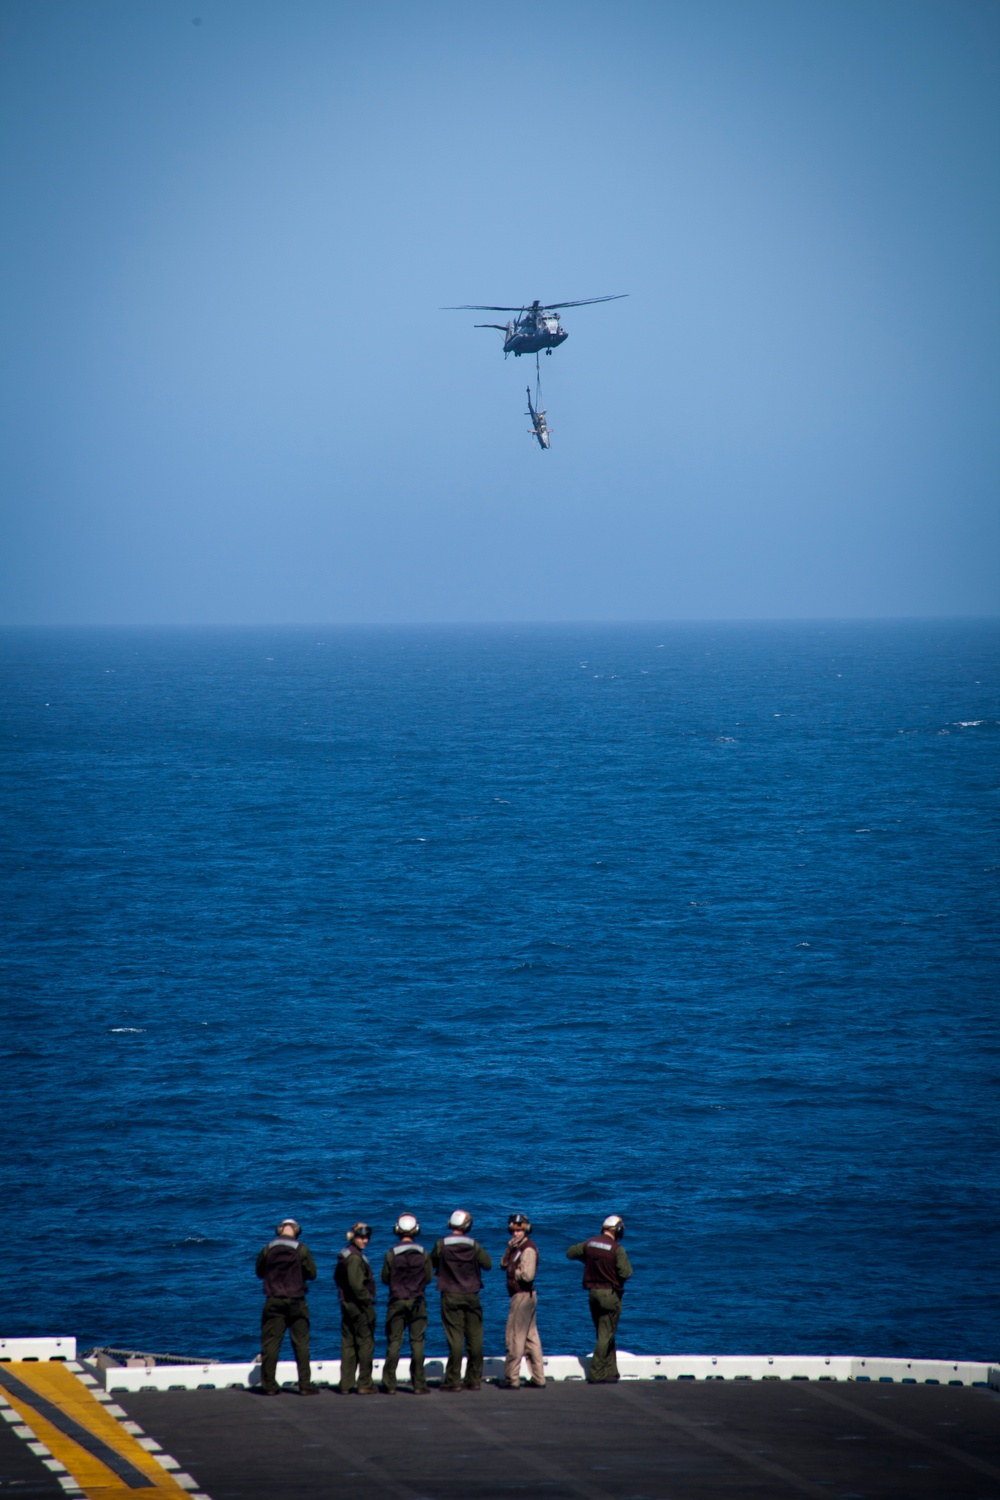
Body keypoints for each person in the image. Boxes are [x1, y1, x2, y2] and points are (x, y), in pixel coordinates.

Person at [255, 1217, 319, 1395]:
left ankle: (269, 1385)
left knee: (271, 1344)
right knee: (301, 1343)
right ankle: (305, 1384)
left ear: (279, 1230)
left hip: (274, 1300)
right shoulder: (301, 1249)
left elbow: (259, 1272)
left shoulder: (267, 1249)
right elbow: (312, 1273)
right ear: (296, 1231)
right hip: (297, 1300)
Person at [565, 1215, 632, 1383]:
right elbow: (626, 1273)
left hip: (593, 1294)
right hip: (609, 1295)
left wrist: (589, 1261)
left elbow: (570, 1252)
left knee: (604, 1332)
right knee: (606, 1334)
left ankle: (611, 1371)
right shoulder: (617, 1249)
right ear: (617, 1230)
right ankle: (597, 1373)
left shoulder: (590, 1244)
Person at [430, 1210, 492, 1391]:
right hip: (472, 1294)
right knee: (475, 1338)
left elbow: (430, 1263)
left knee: (455, 1338)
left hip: (450, 1294)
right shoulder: (474, 1245)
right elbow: (487, 1264)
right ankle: (473, 1379)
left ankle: (453, 1380)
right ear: (467, 1226)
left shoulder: (441, 1244)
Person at [380, 1213, 434, 1394]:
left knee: (394, 1342)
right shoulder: (423, 1252)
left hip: (396, 1301)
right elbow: (428, 1277)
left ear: (397, 1230)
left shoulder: (391, 1253)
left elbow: (385, 1278)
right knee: (417, 1342)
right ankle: (419, 1384)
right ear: (416, 1230)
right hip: (418, 1301)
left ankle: (389, 1384)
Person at [499, 1212, 545, 1388]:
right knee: (531, 1337)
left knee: (514, 1337)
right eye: (513, 1230)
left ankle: (512, 1378)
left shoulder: (528, 1249)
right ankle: (538, 1377)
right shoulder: (516, 1247)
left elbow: (527, 1276)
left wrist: (514, 1272)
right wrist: (509, 1249)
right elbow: (503, 1264)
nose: (515, 1233)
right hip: (523, 1296)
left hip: (522, 1297)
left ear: (526, 1230)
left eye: (519, 1230)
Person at [335, 1222, 377, 1394]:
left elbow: (337, 1277)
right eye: (361, 1237)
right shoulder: (354, 1258)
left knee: (348, 1343)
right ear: (353, 1236)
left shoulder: (345, 1254)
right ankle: (364, 1383)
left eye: (366, 1237)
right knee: (365, 1342)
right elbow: (356, 1285)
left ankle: (346, 1383)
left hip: (347, 1304)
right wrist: (367, 1301)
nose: (364, 1240)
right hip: (359, 1306)